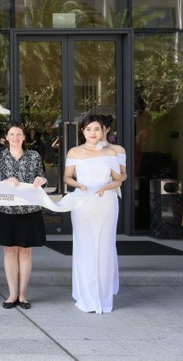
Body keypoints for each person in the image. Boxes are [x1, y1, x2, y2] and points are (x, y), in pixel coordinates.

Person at [63, 115, 122, 313]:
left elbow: (118, 180)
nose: (93, 133)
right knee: (85, 249)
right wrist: (78, 184)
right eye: (89, 129)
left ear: (103, 130)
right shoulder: (74, 152)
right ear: (83, 131)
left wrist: (107, 187)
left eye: (97, 129)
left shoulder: (111, 152)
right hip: (83, 203)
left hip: (105, 202)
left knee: (104, 250)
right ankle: (86, 297)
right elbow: (67, 177)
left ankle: (104, 300)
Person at [0, 123, 47, 310]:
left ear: (24, 137)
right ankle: (12, 294)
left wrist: (43, 180)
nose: (15, 137)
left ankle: (23, 294)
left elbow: (41, 179)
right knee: (10, 251)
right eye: (11, 134)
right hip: (5, 211)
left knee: (26, 252)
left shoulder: (34, 156)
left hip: (29, 210)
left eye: (18, 134)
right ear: (6, 137)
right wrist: (4, 182)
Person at [99, 115, 128, 181]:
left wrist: (118, 179)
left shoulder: (118, 149)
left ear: (107, 129)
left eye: (99, 128)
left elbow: (123, 173)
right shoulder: (84, 149)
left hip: (110, 186)